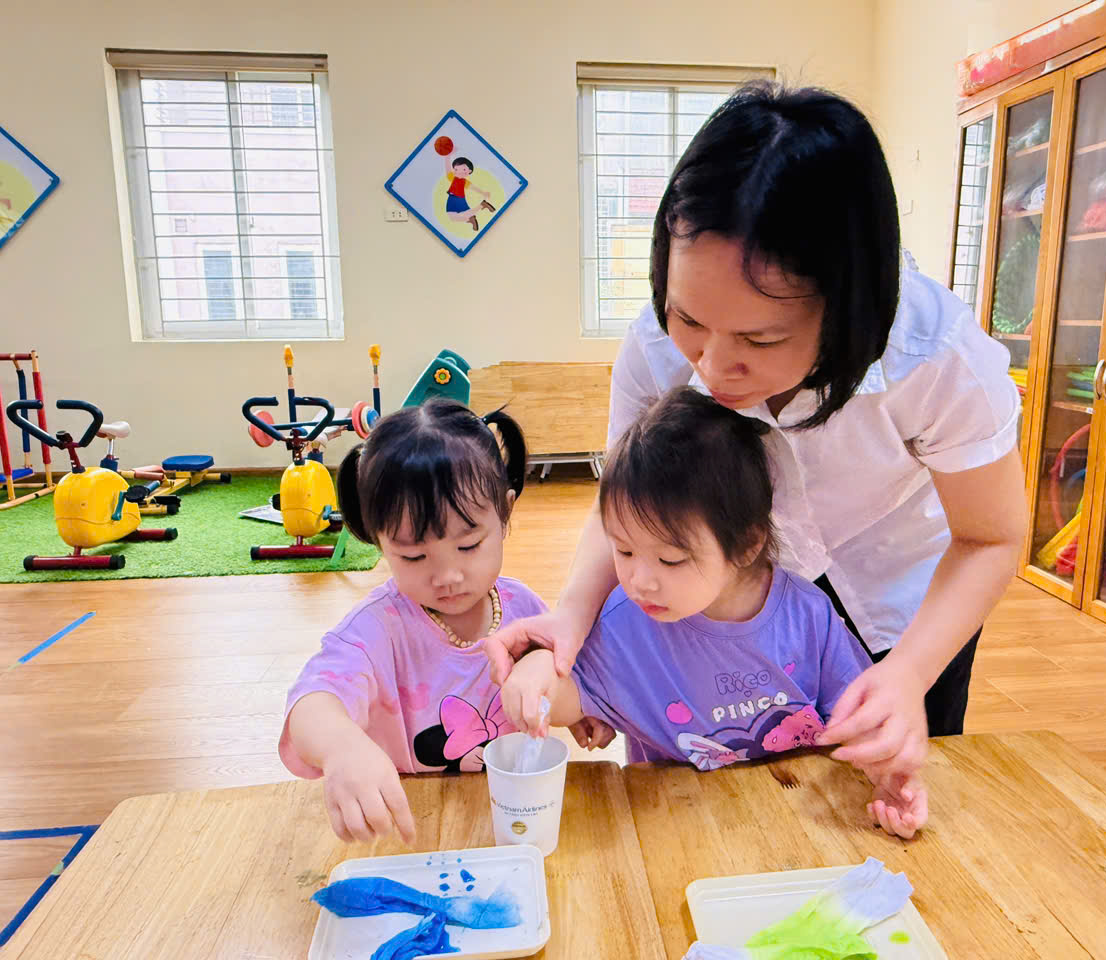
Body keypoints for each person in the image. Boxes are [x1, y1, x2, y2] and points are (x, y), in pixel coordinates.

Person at [488, 81, 1026, 787]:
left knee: (889, 794)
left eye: (759, 337)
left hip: (909, 604)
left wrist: (909, 675)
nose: (711, 367)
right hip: (726, 601)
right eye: (688, 320)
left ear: (847, 307)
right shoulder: (653, 350)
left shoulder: (937, 358)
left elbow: (991, 535)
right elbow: (624, 501)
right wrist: (573, 615)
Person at [498, 388, 925, 838]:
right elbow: (569, 697)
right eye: (623, 550)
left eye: (671, 560)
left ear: (746, 543)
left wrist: (888, 775)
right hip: (680, 833)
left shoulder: (807, 615)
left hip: (799, 826)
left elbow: (861, 721)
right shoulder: (625, 623)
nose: (640, 579)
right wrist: (536, 673)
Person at [278, 400, 545, 844]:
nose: (447, 576)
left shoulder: (525, 608)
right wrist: (342, 747)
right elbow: (311, 702)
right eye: (414, 555)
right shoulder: (377, 629)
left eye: (469, 545)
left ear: (505, 513)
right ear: (379, 539)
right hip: (411, 828)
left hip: (512, 823)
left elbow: (569, 674)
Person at [444, 156, 496, 231]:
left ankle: (481, 207)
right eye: (456, 169)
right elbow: (448, 170)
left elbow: (473, 187)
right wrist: (447, 158)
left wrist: (483, 192)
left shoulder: (462, 181)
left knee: (456, 216)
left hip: (457, 199)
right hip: (453, 198)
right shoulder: (454, 177)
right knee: (454, 217)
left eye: (464, 169)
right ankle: (481, 207)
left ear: (469, 171)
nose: (459, 171)